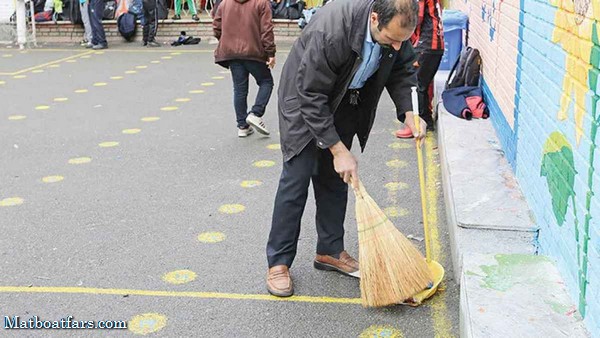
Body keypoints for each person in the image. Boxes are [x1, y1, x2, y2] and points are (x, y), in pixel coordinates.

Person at [265, 0, 427, 297]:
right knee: (296, 179)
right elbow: (311, 94)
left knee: (335, 179)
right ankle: (278, 262)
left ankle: (329, 251)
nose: (395, 45)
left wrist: (409, 112)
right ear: (375, 18)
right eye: (391, 39)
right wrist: (339, 150)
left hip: (345, 100)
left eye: (401, 41)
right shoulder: (331, 30)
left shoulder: (395, 30)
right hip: (304, 102)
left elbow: (402, 70)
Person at [213, 0, 276, 137]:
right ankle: (256, 113)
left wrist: (227, 41)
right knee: (266, 81)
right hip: (254, 51)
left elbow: (217, 27)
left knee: (239, 89)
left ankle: (242, 126)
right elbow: (266, 29)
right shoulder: (262, 3)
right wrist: (270, 52)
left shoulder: (225, 3)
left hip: (232, 53)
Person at [396, 0, 444, 137]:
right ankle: (425, 121)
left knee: (416, 85)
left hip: (426, 44)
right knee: (423, 84)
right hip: (433, 44)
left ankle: (419, 124)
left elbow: (416, 17)